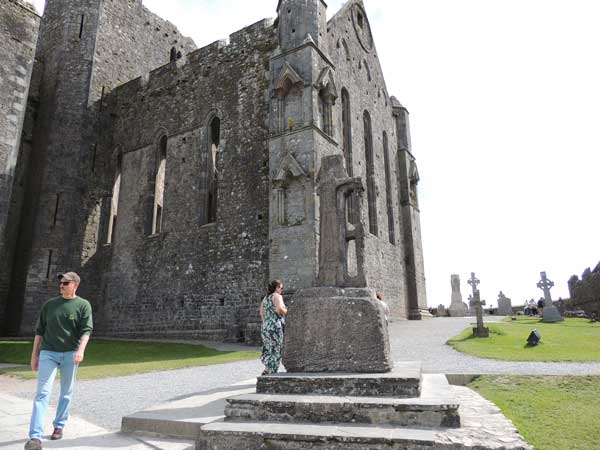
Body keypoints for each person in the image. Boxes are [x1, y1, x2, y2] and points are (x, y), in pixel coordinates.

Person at [24, 272, 93, 450]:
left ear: (75, 285)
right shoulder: (49, 305)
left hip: (71, 354)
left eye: (65, 283)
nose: (61, 285)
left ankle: (59, 425)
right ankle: (35, 437)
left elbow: (86, 330)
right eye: (61, 283)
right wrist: (34, 356)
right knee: (42, 393)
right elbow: (39, 332)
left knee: (66, 392)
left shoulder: (83, 305)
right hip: (48, 353)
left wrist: (80, 350)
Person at [259, 279, 287, 375]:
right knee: (276, 348)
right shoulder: (277, 296)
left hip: (265, 326)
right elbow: (279, 309)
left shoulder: (265, 298)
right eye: (281, 288)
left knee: (268, 348)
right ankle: (272, 372)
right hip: (275, 326)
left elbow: (261, 313)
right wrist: (287, 312)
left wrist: (267, 322)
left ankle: (267, 368)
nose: (281, 290)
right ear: (276, 287)